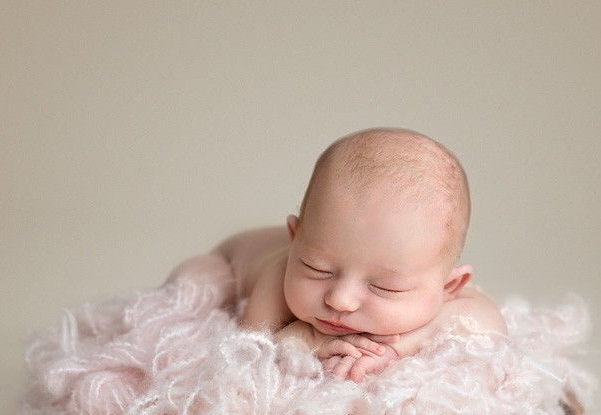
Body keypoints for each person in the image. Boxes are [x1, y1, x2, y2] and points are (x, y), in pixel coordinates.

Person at [169, 128, 507, 382]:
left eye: (384, 287)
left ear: (450, 286)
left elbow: (488, 326)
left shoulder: (444, 289)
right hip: (228, 262)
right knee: (196, 278)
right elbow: (251, 349)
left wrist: (392, 349)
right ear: (294, 239)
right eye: (317, 268)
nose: (341, 300)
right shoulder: (278, 277)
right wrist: (302, 338)